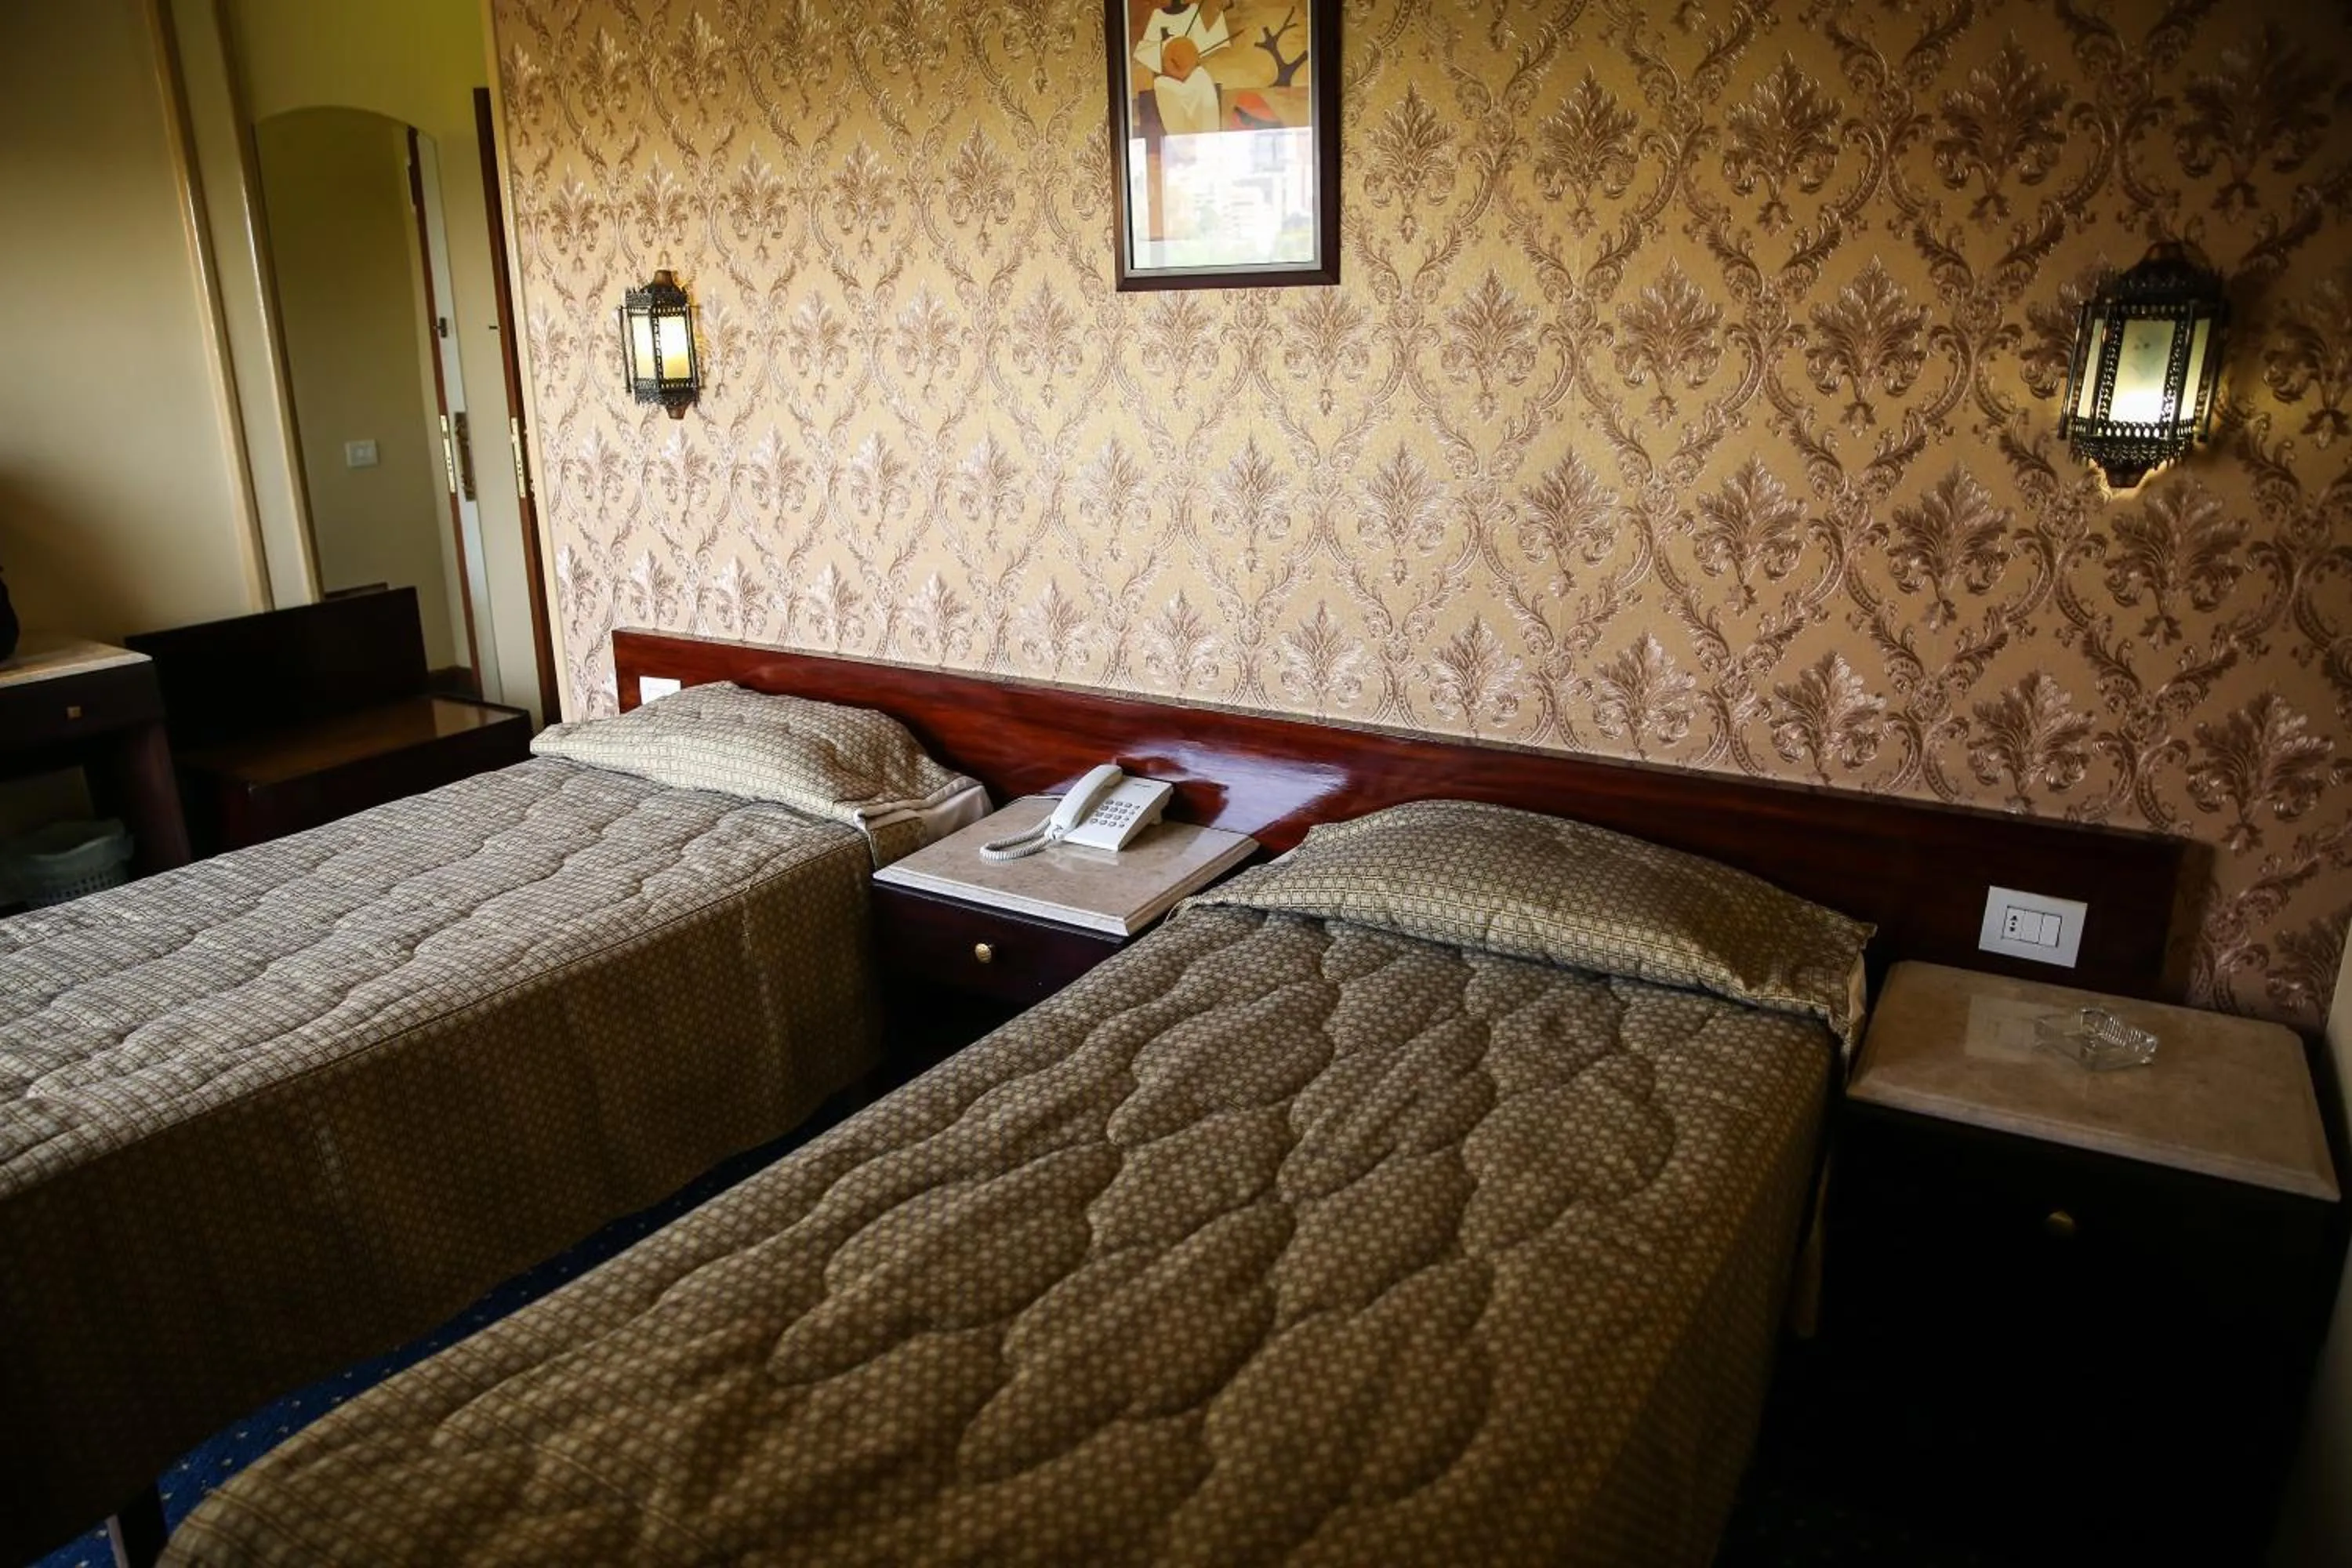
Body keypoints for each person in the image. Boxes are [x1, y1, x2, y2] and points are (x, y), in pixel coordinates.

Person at [1134, 0, 1229, 136]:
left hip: (1192, 73)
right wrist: (1167, 49)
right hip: (1168, 77)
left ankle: (1206, 138)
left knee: (1202, 83)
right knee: (1167, 97)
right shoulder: (1158, 15)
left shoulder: (1193, 11)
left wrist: (1187, 56)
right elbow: (1147, 49)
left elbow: (1201, 42)